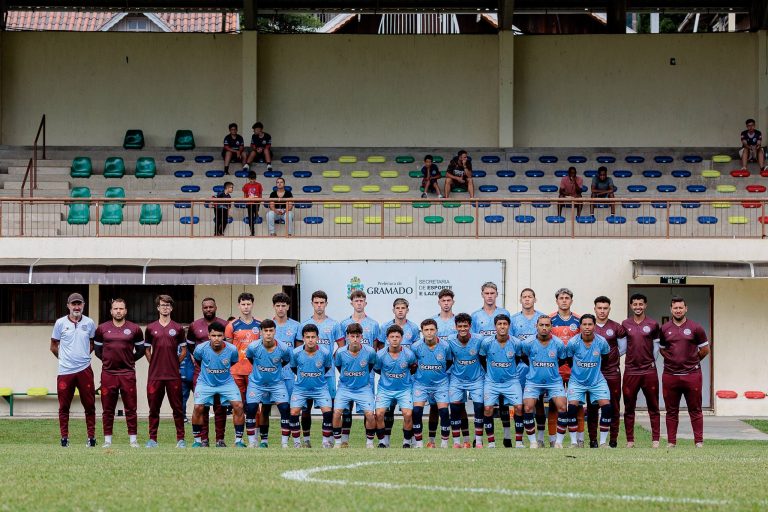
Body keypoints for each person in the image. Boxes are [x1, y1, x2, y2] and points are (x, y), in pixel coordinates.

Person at [659, 296, 710, 448]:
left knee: (695, 409)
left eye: (681, 307)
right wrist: (673, 360)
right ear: (671, 309)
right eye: (675, 308)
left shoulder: (696, 327)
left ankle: (699, 442)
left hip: (692, 375)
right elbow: (662, 350)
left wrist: (691, 361)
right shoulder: (664, 329)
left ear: (686, 309)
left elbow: (705, 349)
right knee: (671, 411)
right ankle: (671, 442)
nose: (678, 310)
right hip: (670, 375)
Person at [94, 298, 144, 448]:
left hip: (127, 373)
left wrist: (129, 360)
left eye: (121, 308)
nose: (118, 311)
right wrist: (108, 360)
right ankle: (107, 441)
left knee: (131, 408)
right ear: (111, 311)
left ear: (125, 311)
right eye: (115, 308)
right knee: (107, 409)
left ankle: (133, 440)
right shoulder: (102, 329)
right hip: (108, 374)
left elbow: (141, 351)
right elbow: (97, 351)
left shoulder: (135, 329)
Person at [299, 290, 344, 448]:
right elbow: (299, 348)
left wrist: (331, 359)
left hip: (327, 373)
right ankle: (306, 440)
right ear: (312, 304)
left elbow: (342, 346)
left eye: (322, 302)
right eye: (316, 302)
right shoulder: (304, 324)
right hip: (307, 373)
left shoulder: (334, 324)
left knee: (329, 406)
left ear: (326, 304)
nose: (319, 305)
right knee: (306, 407)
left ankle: (329, 439)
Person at [50, 292, 96, 448]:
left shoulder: (89, 323)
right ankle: (64, 438)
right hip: (65, 371)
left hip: (85, 369)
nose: (76, 307)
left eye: (79, 304)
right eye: (73, 304)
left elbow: (92, 344)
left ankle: (91, 438)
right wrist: (64, 358)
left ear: (83, 305)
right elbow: (53, 346)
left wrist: (82, 356)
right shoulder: (60, 323)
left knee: (89, 405)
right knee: (64, 406)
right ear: (68, 306)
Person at [470, 282, 513, 446]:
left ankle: (507, 437)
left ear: (497, 294)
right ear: (482, 294)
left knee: (504, 404)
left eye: (492, 293)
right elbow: (474, 341)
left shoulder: (504, 313)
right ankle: (479, 437)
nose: (489, 296)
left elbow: (510, 338)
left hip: (502, 366)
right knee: (482, 405)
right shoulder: (475, 316)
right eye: (486, 293)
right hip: (482, 367)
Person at [190, 322, 245, 448]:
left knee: (238, 405)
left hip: (226, 382)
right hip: (205, 382)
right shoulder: (200, 349)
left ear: (224, 336)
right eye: (213, 335)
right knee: (198, 407)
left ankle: (239, 440)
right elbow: (198, 361)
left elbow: (232, 362)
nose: (216, 338)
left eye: (219, 335)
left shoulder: (231, 349)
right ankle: (198, 441)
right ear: (209, 335)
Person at [144, 294, 187, 448]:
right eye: (163, 305)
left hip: (173, 375)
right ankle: (152, 439)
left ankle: (181, 439)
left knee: (177, 408)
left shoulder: (178, 328)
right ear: (158, 308)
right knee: (154, 409)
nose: (165, 308)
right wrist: (154, 362)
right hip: (155, 375)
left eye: (168, 305)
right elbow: (147, 349)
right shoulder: (150, 328)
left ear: (172, 308)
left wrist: (175, 363)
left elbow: (183, 350)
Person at [186, 297, 229, 447]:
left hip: (220, 373)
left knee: (220, 407)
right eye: (206, 307)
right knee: (202, 406)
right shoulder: (194, 325)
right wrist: (200, 361)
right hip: (201, 372)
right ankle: (203, 439)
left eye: (211, 307)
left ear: (216, 307)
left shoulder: (225, 324)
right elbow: (191, 347)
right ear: (202, 308)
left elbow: (229, 348)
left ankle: (220, 439)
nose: (208, 309)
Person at [520, 315, 568, 449]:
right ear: (536, 326)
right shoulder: (528, 343)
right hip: (533, 382)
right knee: (528, 407)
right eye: (541, 325)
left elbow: (562, 359)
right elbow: (524, 357)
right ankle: (534, 442)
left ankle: (558, 442)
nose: (544, 328)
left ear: (551, 327)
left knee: (563, 406)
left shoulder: (558, 343)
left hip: (553, 382)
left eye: (547, 325)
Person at [621, 293, 662, 448]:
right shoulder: (625, 324)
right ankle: (630, 441)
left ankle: (656, 440)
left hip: (648, 371)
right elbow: (623, 347)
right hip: (631, 370)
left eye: (640, 304)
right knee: (629, 406)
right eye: (635, 304)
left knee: (653, 406)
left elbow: (657, 347)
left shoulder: (653, 324)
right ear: (631, 306)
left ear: (645, 305)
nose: (638, 307)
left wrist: (650, 362)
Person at [565, 315, 612, 448]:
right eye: (584, 324)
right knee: (572, 408)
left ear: (594, 326)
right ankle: (574, 442)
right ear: (580, 326)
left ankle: (603, 442)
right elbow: (569, 360)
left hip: (597, 380)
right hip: (577, 381)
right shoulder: (573, 342)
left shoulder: (601, 342)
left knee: (607, 407)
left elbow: (606, 359)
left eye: (590, 324)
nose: (587, 327)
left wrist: (594, 371)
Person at [244, 319, 292, 448]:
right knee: (252, 409)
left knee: (285, 409)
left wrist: (273, 371)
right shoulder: (253, 347)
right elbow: (250, 358)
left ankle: (284, 444)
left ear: (275, 331)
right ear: (261, 332)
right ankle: (253, 442)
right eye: (266, 331)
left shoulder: (283, 348)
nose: (268, 334)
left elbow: (286, 360)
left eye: (271, 331)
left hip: (276, 383)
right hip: (257, 383)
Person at [586, 296, 627, 448]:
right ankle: (593, 440)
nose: (602, 311)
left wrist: (612, 357)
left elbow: (623, 348)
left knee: (613, 406)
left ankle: (613, 440)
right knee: (593, 407)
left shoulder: (616, 327)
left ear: (609, 309)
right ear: (594, 309)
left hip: (612, 372)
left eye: (605, 308)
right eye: (599, 308)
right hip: (593, 373)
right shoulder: (589, 326)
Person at [379, 297, 421, 443]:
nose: (400, 311)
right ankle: (385, 440)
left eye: (403, 308)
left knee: (410, 411)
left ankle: (410, 440)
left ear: (407, 310)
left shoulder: (414, 328)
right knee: (388, 410)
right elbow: (380, 350)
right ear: (393, 310)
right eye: (398, 308)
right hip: (389, 375)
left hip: (408, 374)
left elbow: (417, 351)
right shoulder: (384, 327)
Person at [510, 288, 547, 448]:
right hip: (520, 367)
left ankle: (540, 437)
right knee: (521, 403)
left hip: (539, 367)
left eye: (530, 297)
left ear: (534, 299)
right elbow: (511, 343)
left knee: (538, 402)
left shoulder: (542, 318)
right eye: (524, 297)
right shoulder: (513, 319)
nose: (527, 299)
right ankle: (520, 438)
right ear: (520, 300)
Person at [479, 314, 522, 449]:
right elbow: (482, 359)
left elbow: (518, 359)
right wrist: (491, 372)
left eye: (505, 324)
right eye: (499, 324)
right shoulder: (486, 343)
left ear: (509, 326)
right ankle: (491, 442)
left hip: (511, 381)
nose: (502, 326)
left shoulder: (516, 342)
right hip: (492, 382)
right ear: (495, 326)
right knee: (487, 409)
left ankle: (519, 442)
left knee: (519, 408)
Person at [333, 323, 377, 448]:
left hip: (363, 388)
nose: (355, 339)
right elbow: (339, 366)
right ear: (347, 337)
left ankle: (369, 443)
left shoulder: (370, 352)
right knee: (337, 413)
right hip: (344, 388)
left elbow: (371, 365)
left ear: (361, 337)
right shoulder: (340, 353)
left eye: (358, 336)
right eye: (352, 336)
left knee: (369, 414)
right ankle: (338, 443)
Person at [289, 324, 334, 448]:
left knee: (328, 412)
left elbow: (327, 367)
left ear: (317, 338)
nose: (310, 340)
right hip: (301, 388)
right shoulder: (296, 353)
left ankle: (325, 442)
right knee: (294, 412)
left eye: (313, 337)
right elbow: (294, 368)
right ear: (303, 338)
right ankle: (298, 443)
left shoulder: (325, 353)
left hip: (320, 388)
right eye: (307, 337)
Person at [411, 319, 452, 448]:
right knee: (417, 412)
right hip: (421, 384)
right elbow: (412, 364)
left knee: (444, 412)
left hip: (440, 384)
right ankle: (419, 443)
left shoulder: (445, 346)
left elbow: (449, 361)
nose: (429, 333)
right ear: (422, 332)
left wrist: (438, 373)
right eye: (426, 330)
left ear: (436, 331)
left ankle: (444, 443)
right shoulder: (416, 347)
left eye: (432, 329)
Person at [225, 292, 262, 437]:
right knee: (238, 406)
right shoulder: (231, 325)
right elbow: (227, 350)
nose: (246, 307)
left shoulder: (259, 325)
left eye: (248, 304)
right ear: (239, 305)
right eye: (243, 304)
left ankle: (256, 438)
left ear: (252, 304)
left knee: (255, 407)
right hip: (236, 371)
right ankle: (238, 438)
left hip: (255, 372)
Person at [374, 325, 417, 448]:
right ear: (387, 339)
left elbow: (413, 368)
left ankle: (406, 442)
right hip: (385, 389)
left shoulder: (409, 354)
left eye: (397, 337)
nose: (394, 339)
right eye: (392, 337)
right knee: (380, 413)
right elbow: (377, 369)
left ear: (402, 338)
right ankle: (382, 441)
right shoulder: (380, 355)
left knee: (408, 414)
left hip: (404, 389)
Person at [549, 287, 582, 447]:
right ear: (557, 301)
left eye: (567, 298)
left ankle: (579, 440)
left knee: (576, 405)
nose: (564, 300)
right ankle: (551, 439)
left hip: (575, 370)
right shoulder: (549, 320)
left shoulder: (578, 320)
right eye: (561, 298)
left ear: (571, 301)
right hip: (554, 370)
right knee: (555, 406)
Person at [447, 313, 485, 449]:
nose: (463, 329)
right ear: (455, 327)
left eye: (465, 326)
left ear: (470, 326)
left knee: (479, 408)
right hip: (457, 379)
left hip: (476, 379)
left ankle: (479, 441)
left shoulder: (479, 339)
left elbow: (483, 357)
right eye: (460, 326)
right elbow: (448, 359)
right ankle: (458, 442)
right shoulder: (450, 340)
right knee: (455, 408)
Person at [242, 171, 263, 237]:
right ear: (248, 178)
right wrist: (246, 200)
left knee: (255, 213)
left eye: (253, 179)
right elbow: (245, 194)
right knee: (251, 217)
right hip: (250, 202)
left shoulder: (259, 185)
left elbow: (260, 193)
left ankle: (256, 213)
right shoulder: (246, 185)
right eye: (251, 179)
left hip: (256, 202)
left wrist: (259, 200)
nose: (252, 180)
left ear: (255, 178)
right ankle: (252, 232)